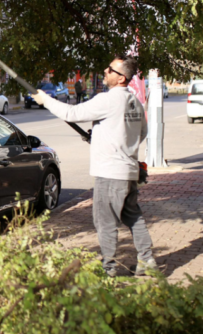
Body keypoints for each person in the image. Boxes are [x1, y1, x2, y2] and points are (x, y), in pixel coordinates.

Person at [31, 55, 155, 277]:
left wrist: (45, 100)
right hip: (128, 172)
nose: (105, 71)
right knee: (133, 216)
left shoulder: (108, 100)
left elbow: (71, 113)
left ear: (121, 78)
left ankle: (108, 269)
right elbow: (141, 132)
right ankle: (147, 261)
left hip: (110, 174)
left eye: (110, 70)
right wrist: (103, 136)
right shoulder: (134, 101)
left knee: (105, 222)